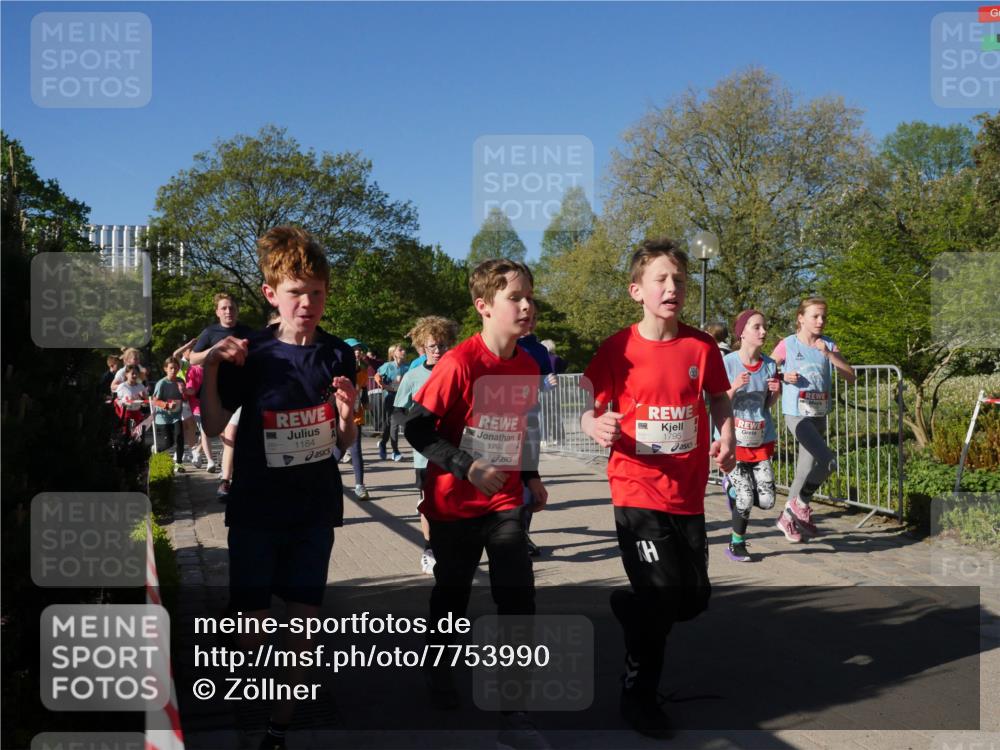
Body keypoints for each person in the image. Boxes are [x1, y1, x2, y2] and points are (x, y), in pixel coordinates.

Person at [200, 226, 356, 750]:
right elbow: (213, 423)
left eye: (317, 292)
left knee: (303, 628)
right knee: (251, 631)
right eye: (295, 293)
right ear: (271, 294)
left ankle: (277, 729)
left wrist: (348, 414)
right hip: (256, 506)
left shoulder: (338, 354)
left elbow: (342, 441)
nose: (307, 303)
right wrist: (212, 368)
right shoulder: (252, 352)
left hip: (314, 507)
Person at [580, 237, 735, 739]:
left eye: (680, 280)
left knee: (692, 599)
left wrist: (727, 435)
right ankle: (639, 698)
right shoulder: (617, 349)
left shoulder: (701, 346)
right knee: (662, 596)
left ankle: (631, 609)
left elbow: (719, 398)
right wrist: (593, 424)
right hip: (635, 489)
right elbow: (589, 409)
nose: (673, 288)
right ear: (636, 291)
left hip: (687, 491)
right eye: (661, 279)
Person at [404, 259, 549, 747]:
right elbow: (416, 428)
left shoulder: (528, 363)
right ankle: (438, 667)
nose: (527, 306)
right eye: (515, 298)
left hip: (504, 502)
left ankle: (515, 707)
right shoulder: (459, 363)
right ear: (484, 306)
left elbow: (525, 424)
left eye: (529, 297)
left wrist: (531, 476)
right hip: (454, 505)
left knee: (518, 598)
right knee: (453, 597)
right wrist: (466, 466)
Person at [770, 297, 856, 542]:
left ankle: (788, 518)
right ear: (801, 318)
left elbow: (851, 376)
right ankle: (799, 505)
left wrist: (828, 354)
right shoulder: (788, 344)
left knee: (805, 469)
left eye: (823, 317)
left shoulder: (828, 344)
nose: (820, 321)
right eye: (815, 316)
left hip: (819, 414)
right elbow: (765, 369)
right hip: (797, 415)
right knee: (829, 462)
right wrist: (783, 376)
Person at [394, 315, 459, 575]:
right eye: (432, 346)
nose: (437, 350)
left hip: (455, 452)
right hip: (425, 455)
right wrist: (414, 429)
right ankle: (429, 549)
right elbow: (398, 410)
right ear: (422, 347)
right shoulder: (413, 376)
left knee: (453, 502)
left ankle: (453, 549)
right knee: (427, 504)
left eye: (442, 345)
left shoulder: (457, 371)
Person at [722, 310, 781, 562]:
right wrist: (734, 387)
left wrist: (776, 392)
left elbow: (767, 405)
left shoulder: (770, 364)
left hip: (760, 439)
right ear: (742, 333)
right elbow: (718, 402)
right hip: (734, 441)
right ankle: (737, 544)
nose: (763, 331)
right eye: (757, 327)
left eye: (764, 327)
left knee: (767, 501)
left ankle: (733, 492)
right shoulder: (728, 363)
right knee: (746, 497)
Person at [190, 293, 254, 499]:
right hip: (218, 395)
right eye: (224, 308)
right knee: (225, 437)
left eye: (232, 307)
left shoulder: (247, 332)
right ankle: (226, 480)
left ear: (237, 310)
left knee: (236, 437)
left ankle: (230, 480)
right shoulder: (210, 332)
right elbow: (192, 358)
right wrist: (214, 351)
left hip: (245, 393)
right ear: (217, 312)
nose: (228, 311)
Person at [517, 322, 558, 557]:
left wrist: (547, 384)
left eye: (533, 317)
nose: (528, 320)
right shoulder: (503, 342)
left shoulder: (539, 350)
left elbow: (544, 383)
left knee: (528, 479)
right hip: (500, 419)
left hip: (530, 417)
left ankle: (523, 534)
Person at [342, 338, 371, 500]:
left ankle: (360, 485)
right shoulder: (337, 369)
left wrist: (366, 403)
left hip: (356, 414)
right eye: (353, 349)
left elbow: (364, 388)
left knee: (356, 450)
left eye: (359, 349)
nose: (357, 352)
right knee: (337, 452)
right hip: (338, 416)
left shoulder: (363, 370)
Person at [151, 357, 186, 472]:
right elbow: (155, 401)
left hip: (176, 416)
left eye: (176, 368)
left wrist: (183, 392)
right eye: (171, 368)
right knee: (168, 443)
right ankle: (156, 449)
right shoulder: (162, 383)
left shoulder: (180, 381)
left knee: (180, 438)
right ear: (165, 369)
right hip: (163, 417)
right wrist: (166, 405)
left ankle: (179, 464)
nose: (173, 370)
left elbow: (185, 399)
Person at [375, 344, 409, 461]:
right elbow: (377, 375)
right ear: (394, 353)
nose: (403, 351)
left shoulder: (407, 367)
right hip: (390, 397)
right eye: (400, 350)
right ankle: (395, 452)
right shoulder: (388, 366)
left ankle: (383, 443)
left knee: (389, 424)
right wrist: (383, 385)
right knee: (394, 423)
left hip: (402, 398)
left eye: (404, 349)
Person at [114, 363, 148, 432]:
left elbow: (146, 404)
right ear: (126, 374)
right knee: (127, 433)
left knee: (138, 434)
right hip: (126, 414)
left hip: (137, 413)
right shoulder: (122, 386)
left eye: (136, 373)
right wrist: (126, 401)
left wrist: (143, 397)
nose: (135, 375)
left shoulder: (141, 386)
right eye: (132, 373)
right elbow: (116, 401)